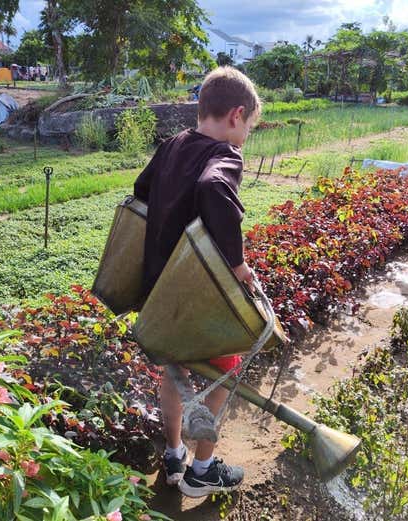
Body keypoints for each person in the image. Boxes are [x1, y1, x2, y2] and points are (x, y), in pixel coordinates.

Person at [133, 66, 260, 498]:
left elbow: (141, 189)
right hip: (197, 292)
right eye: (249, 127)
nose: (245, 136)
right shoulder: (222, 153)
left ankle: (173, 458)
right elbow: (212, 189)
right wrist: (238, 265)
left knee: (175, 368)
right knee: (224, 370)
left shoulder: (172, 146)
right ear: (235, 115)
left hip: (159, 291)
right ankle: (201, 470)